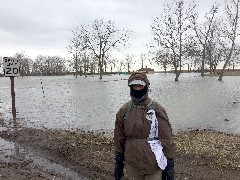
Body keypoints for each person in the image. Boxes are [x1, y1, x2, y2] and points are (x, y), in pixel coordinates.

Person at [114, 72, 175, 180]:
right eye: (134, 86)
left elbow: (166, 138)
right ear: (130, 87)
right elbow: (119, 139)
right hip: (132, 164)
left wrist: (169, 164)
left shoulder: (157, 109)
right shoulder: (124, 111)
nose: (137, 89)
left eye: (140, 86)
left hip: (153, 165)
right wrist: (118, 163)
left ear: (146, 86)